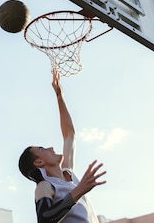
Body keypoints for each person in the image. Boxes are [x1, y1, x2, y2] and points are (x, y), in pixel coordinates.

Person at [18, 69, 106, 223]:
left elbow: (69, 135)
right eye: (43, 149)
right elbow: (44, 219)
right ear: (39, 162)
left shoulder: (68, 174)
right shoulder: (44, 186)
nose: (51, 148)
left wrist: (60, 96)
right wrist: (79, 191)